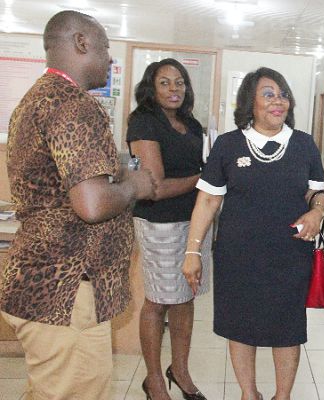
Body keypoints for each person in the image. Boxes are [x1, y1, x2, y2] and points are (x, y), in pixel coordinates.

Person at [0, 10, 156, 400]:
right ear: (82, 43)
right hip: (65, 293)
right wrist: (134, 183)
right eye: (105, 48)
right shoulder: (73, 105)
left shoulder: (38, 99)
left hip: (44, 285)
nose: (110, 59)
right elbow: (92, 204)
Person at [181, 67, 324, 400]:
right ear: (250, 101)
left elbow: (318, 192)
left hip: (290, 254)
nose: (279, 101)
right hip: (238, 256)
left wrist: (317, 211)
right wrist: (192, 251)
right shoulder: (228, 144)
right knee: (240, 327)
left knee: (287, 329)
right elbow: (207, 201)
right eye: (268, 94)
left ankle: (282, 396)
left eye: (283, 94)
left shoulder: (304, 144)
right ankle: (249, 393)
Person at [127, 58, 210, 400]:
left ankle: (180, 370)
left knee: (185, 297)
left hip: (193, 221)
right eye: (165, 83)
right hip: (159, 222)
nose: (174, 89)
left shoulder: (191, 123)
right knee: (158, 300)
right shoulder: (143, 121)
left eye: (180, 82)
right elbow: (155, 187)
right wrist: (203, 180)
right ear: (152, 87)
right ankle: (153, 380)